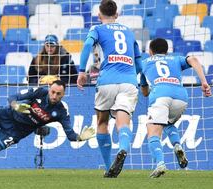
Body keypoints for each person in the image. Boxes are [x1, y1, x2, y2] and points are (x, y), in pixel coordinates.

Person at [0, 80, 95, 163]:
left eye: (58, 94)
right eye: (53, 92)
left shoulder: (62, 111)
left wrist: (80, 137)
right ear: (49, 89)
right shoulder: (39, 92)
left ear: (63, 95)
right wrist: (15, 106)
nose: (54, 96)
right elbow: (13, 96)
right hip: (6, 114)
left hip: (16, 132)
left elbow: (70, 134)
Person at [77, 0, 142, 178]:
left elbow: (87, 46)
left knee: (102, 123)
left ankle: (108, 168)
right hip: (129, 81)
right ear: (117, 14)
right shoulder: (129, 32)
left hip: (107, 80)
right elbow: (139, 62)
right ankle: (122, 148)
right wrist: (140, 80)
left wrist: (82, 71)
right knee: (123, 123)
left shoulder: (97, 29)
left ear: (99, 15)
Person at [140, 38, 211, 178]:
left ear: (150, 51)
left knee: (153, 131)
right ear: (167, 51)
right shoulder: (175, 59)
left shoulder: (144, 63)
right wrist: (204, 82)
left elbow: (144, 92)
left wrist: (149, 87)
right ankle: (177, 145)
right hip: (181, 97)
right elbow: (194, 59)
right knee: (168, 123)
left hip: (160, 95)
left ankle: (160, 164)